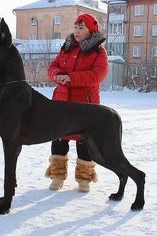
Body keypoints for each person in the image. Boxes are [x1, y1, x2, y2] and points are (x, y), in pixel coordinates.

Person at [45, 14, 109, 192]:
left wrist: (70, 78)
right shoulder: (66, 47)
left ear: (91, 30)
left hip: (85, 105)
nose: (77, 31)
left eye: (82, 27)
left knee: (84, 141)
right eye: (76, 27)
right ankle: (57, 176)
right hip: (62, 102)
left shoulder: (98, 52)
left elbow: (97, 76)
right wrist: (56, 74)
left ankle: (84, 179)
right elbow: (52, 67)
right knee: (59, 138)